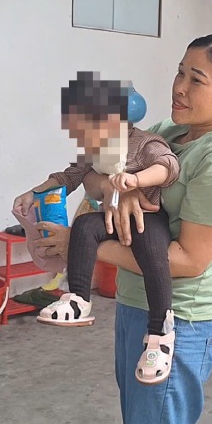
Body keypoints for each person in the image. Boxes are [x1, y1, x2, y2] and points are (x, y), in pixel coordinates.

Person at [14, 33, 212, 424]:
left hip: (179, 322)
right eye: (179, 72)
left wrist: (83, 244)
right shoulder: (173, 133)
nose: (179, 87)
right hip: (137, 304)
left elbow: (189, 260)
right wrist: (124, 190)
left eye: (197, 79)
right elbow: (99, 173)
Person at [12, 72, 181, 385]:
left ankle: (159, 330)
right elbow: (70, 176)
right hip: (110, 216)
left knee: (153, 255)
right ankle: (78, 298)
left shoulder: (145, 142)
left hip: (147, 215)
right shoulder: (96, 148)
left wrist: (136, 180)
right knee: (84, 226)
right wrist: (33, 192)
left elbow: (168, 167)